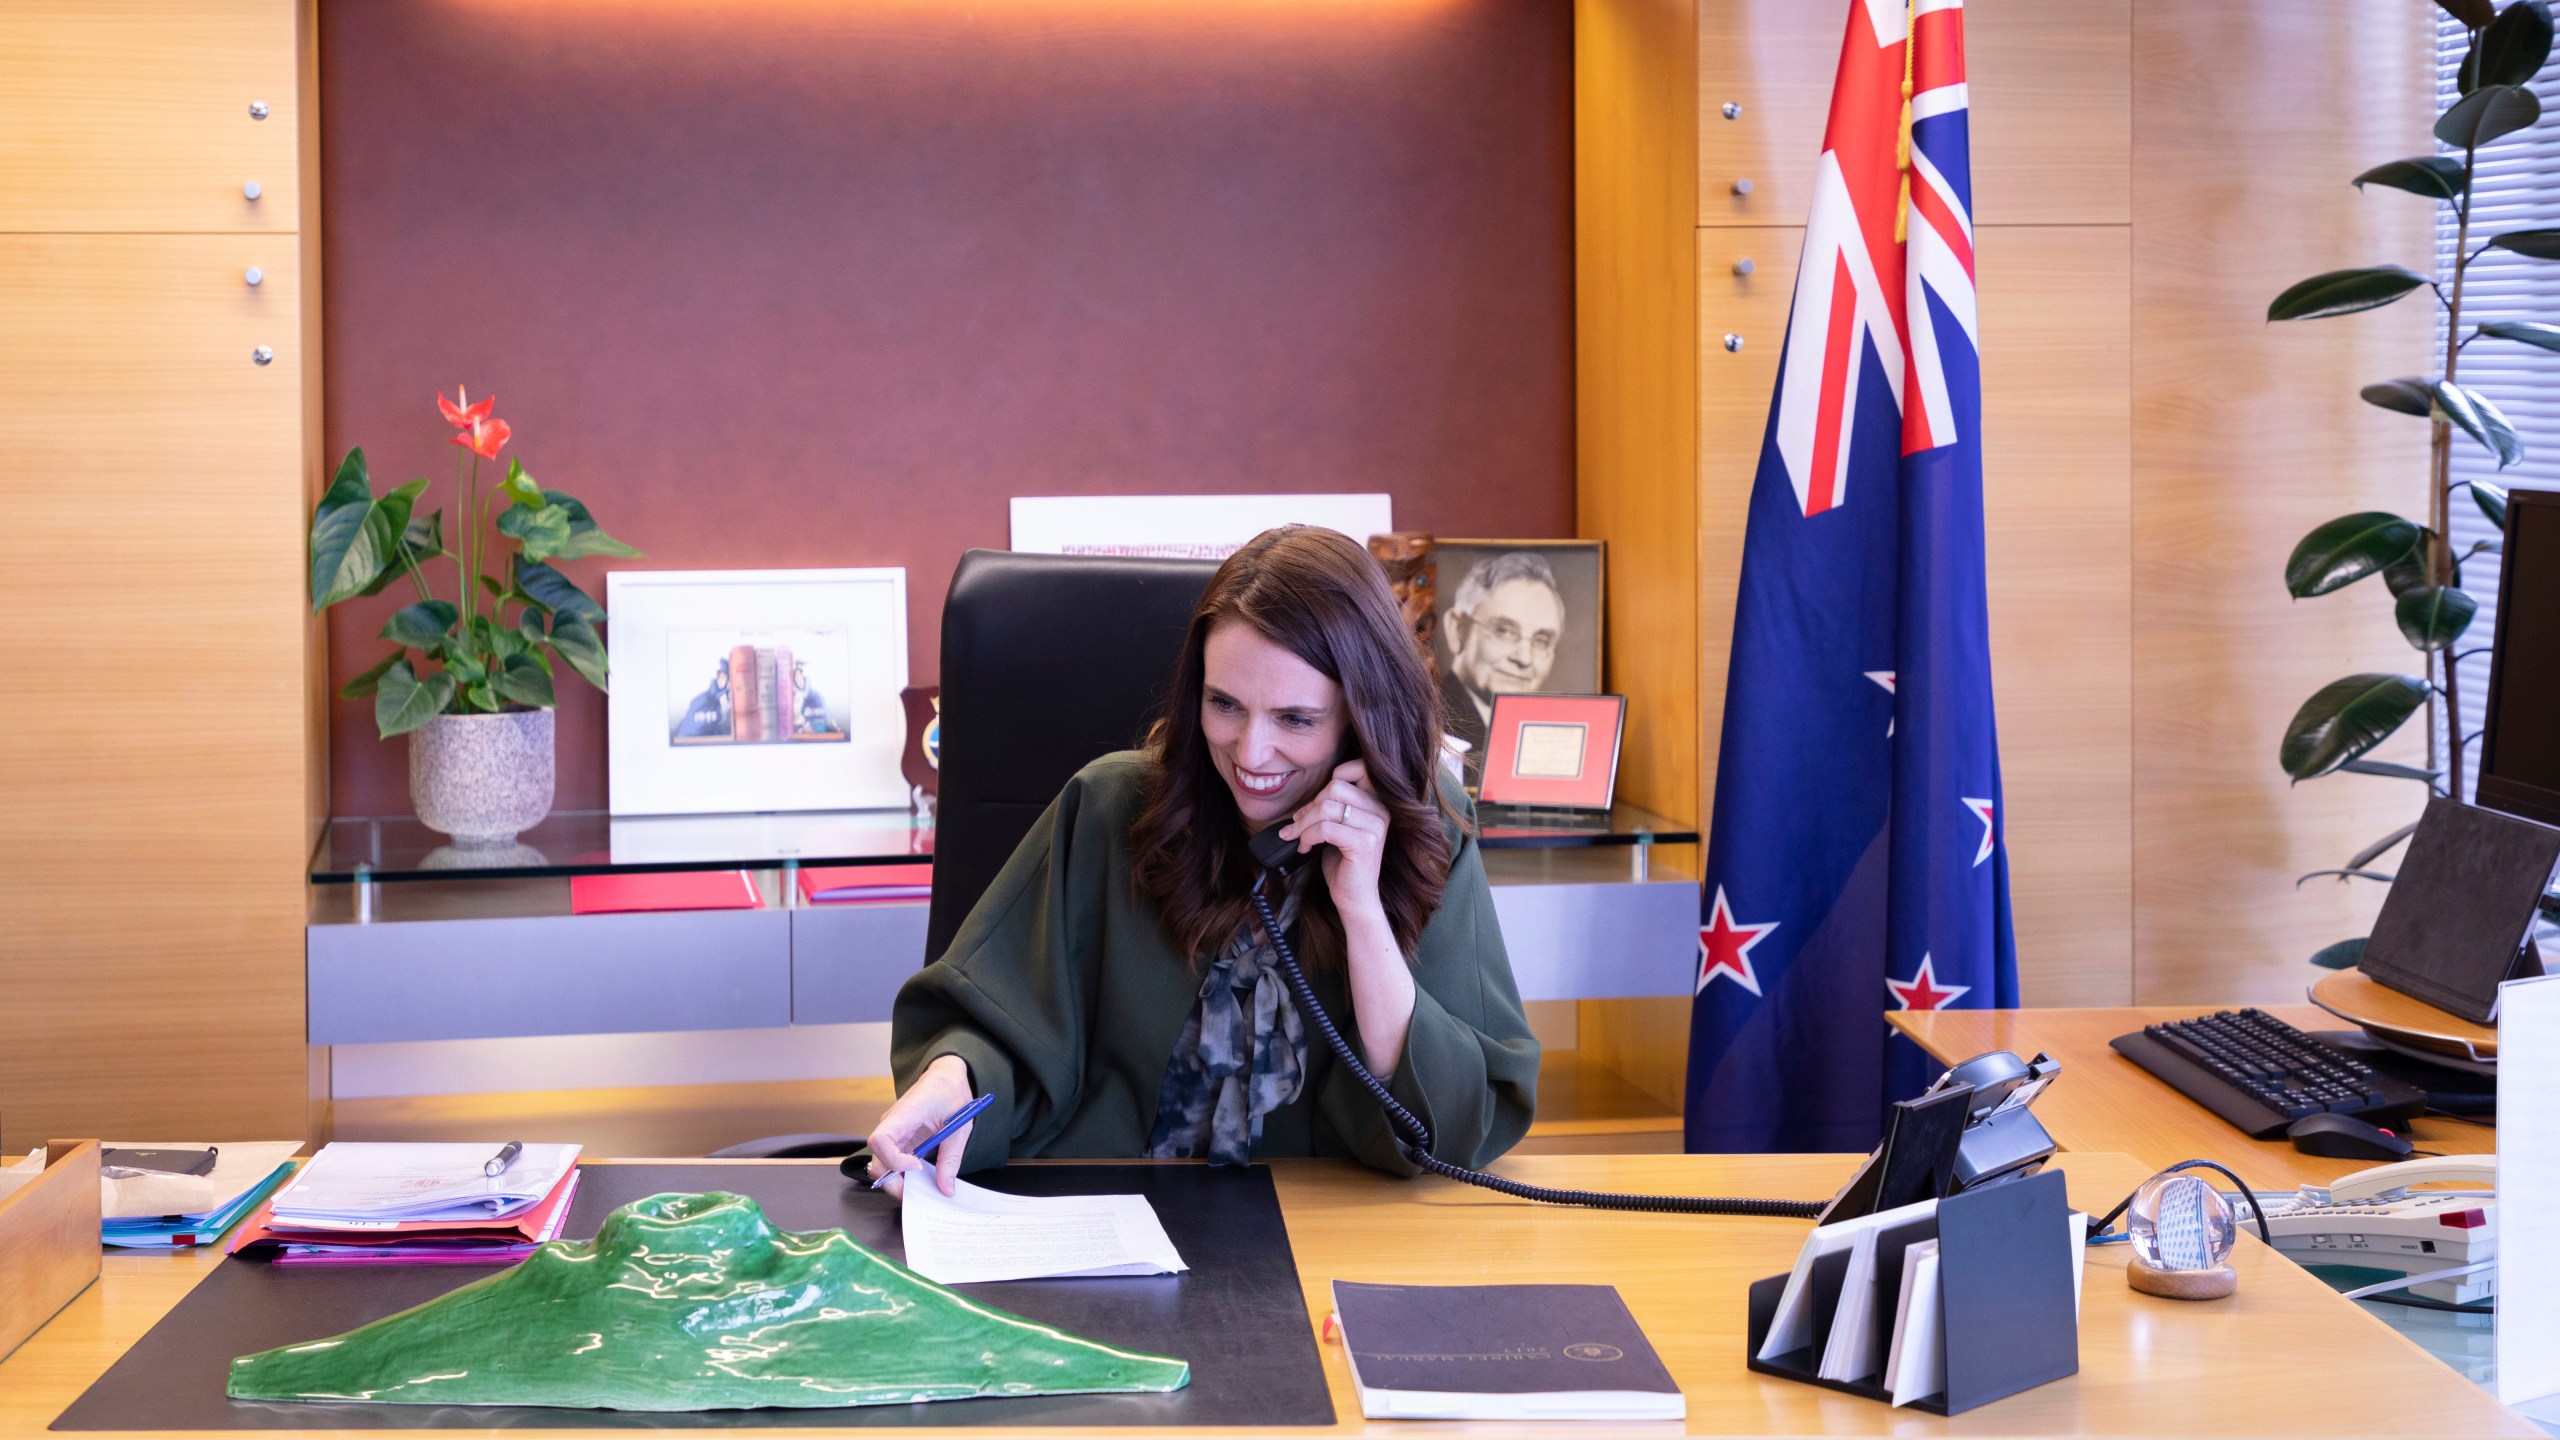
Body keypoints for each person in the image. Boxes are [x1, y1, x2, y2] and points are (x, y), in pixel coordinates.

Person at [869, 526, 1539, 1194]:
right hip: (1105, 1213)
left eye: (1296, 719)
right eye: (1225, 706)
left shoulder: (1424, 823)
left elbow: (1458, 1122)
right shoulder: (1109, 808)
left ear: (1361, 718)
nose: (1250, 755)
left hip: (1330, 1223)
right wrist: (948, 1081)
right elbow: (996, 1021)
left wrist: (1362, 911)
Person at [1438, 550, 1567, 768]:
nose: (1524, 658)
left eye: (1542, 640)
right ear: (1457, 629)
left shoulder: (1551, 741)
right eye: (1504, 631)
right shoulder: (1427, 725)